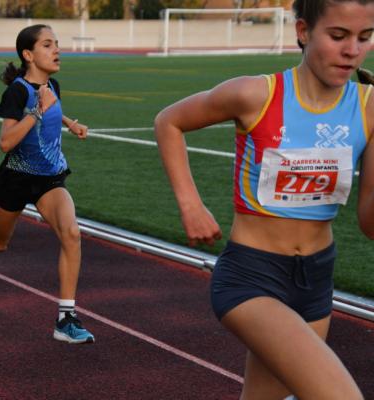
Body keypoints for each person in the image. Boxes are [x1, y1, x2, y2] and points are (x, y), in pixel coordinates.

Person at [154, 0, 374, 398]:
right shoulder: (256, 94)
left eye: (365, 38)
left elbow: (370, 223)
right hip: (252, 277)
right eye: (338, 36)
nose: (352, 50)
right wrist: (190, 204)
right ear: (304, 32)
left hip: (317, 280)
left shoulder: (368, 108)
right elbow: (169, 121)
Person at [0, 24, 95, 344]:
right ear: (28, 54)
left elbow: (51, 108)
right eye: (48, 45)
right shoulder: (17, 91)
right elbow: (6, 142)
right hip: (17, 179)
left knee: (71, 233)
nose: (56, 50)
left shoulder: (53, 84)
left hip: (50, 178)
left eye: (57, 44)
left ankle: (66, 318)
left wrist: (70, 122)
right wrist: (36, 111)